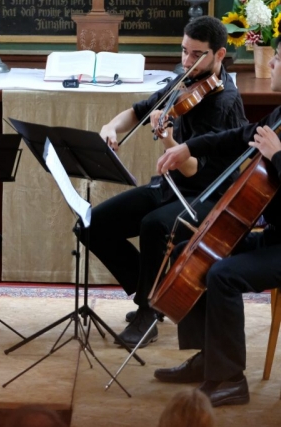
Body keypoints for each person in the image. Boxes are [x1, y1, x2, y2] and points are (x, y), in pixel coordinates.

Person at [80, 16, 247, 347]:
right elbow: (139, 110)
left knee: (154, 226)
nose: (186, 61)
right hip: (173, 187)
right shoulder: (184, 81)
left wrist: (170, 141)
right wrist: (111, 127)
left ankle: (147, 311)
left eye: (196, 55)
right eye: (184, 51)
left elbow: (195, 170)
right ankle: (155, 294)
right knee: (90, 224)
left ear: (219, 55)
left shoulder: (225, 101)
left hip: (210, 193)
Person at [153, 37, 281, 407]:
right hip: (273, 236)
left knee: (222, 274)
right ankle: (208, 358)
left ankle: (230, 380)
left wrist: (277, 157)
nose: (271, 64)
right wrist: (189, 147)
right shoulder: (280, 116)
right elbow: (239, 135)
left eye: (277, 59)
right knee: (189, 252)